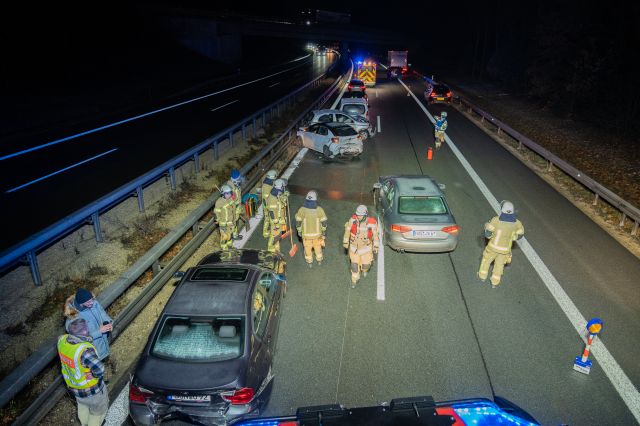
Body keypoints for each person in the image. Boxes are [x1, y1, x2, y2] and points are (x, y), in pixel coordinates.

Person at [58, 318, 108, 426]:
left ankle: (84, 423)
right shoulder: (84, 351)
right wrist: (94, 375)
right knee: (98, 412)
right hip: (92, 391)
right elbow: (100, 369)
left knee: (82, 407)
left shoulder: (62, 340)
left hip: (75, 388)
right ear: (85, 330)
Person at [478, 200, 525, 288]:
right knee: (499, 266)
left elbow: (488, 234)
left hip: (492, 248)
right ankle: (495, 282)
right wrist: (513, 237)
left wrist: (487, 227)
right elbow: (520, 234)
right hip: (505, 250)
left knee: (486, 261)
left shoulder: (495, 220)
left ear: (502, 210)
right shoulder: (517, 223)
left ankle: (482, 276)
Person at [64, 288, 112, 361]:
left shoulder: (93, 303)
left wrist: (108, 322)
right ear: (81, 303)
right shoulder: (74, 318)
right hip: (93, 348)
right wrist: (99, 331)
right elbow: (80, 338)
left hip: (104, 340)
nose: (92, 302)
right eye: (89, 302)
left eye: (92, 299)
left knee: (106, 355)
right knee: (98, 361)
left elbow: (102, 313)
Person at [342, 205, 379, 288]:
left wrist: (376, 246)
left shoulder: (372, 223)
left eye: (360, 215)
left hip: (366, 249)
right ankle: (354, 280)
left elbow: (376, 236)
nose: (358, 216)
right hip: (354, 249)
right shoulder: (352, 220)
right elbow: (347, 232)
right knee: (354, 266)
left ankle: (365, 270)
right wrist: (345, 242)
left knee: (366, 265)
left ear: (365, 215)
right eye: (357, 214)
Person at [295, 190, 328, 267]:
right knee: (318, 248)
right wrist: (323, 231)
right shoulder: (319, 210)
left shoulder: (302, 210)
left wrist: (299, 231)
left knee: (307, 249)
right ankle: (319, 260)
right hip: (317, 235)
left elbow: (298, 222)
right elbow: (324, 222)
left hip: (306, 236)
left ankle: (309, 262)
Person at [263, 179, 290, 253]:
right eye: (283, 187)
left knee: (277, 235)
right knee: (274, 235)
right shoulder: (272, 198)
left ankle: (276, 249)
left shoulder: (276, 192)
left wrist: (285, 196)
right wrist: (276, 222)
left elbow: (280, 201)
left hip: (279, 218)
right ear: (280, 187)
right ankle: (271, 249)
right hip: (275, 221)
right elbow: (272, 212)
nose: (283, 188)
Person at [214, 184, 240, 250]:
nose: (229, 195)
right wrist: (217, 219)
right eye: (227, 193)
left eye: (230, 193)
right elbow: (216, 212)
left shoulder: (230, 199)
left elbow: (233, 208)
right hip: (223, 223)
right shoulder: (219, 202)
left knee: (229, 235)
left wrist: (234, 218)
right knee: (224, 237)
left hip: (230, 222)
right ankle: (224, 249)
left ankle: (230, 246)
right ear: (223, 194)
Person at [227, 169, 244, 239]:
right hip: (234, 208)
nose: (240, 180)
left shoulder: (236, 185)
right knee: (233, 222)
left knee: (235, 221)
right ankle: (231, 236)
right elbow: (231, 200)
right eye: (238, 179)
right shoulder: (231, 189)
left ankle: (235, 234)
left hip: (237, 207)